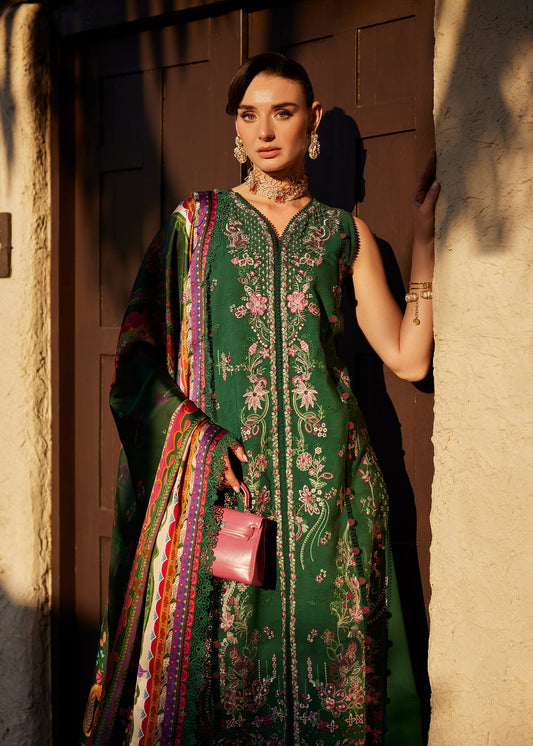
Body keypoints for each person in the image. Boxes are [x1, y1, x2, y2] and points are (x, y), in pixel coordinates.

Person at [81, 52, 439, 745]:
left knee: (335, 689)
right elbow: (136, 354)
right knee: (229, 692)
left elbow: (408, 355)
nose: (264, 131)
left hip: (331, 493)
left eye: (282, 113)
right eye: (249, 116)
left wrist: (423, 240)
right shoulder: (196, 224)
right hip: (228, 493)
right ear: (236, 128)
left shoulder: (344, 233)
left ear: (312, 121)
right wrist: (195, 438)